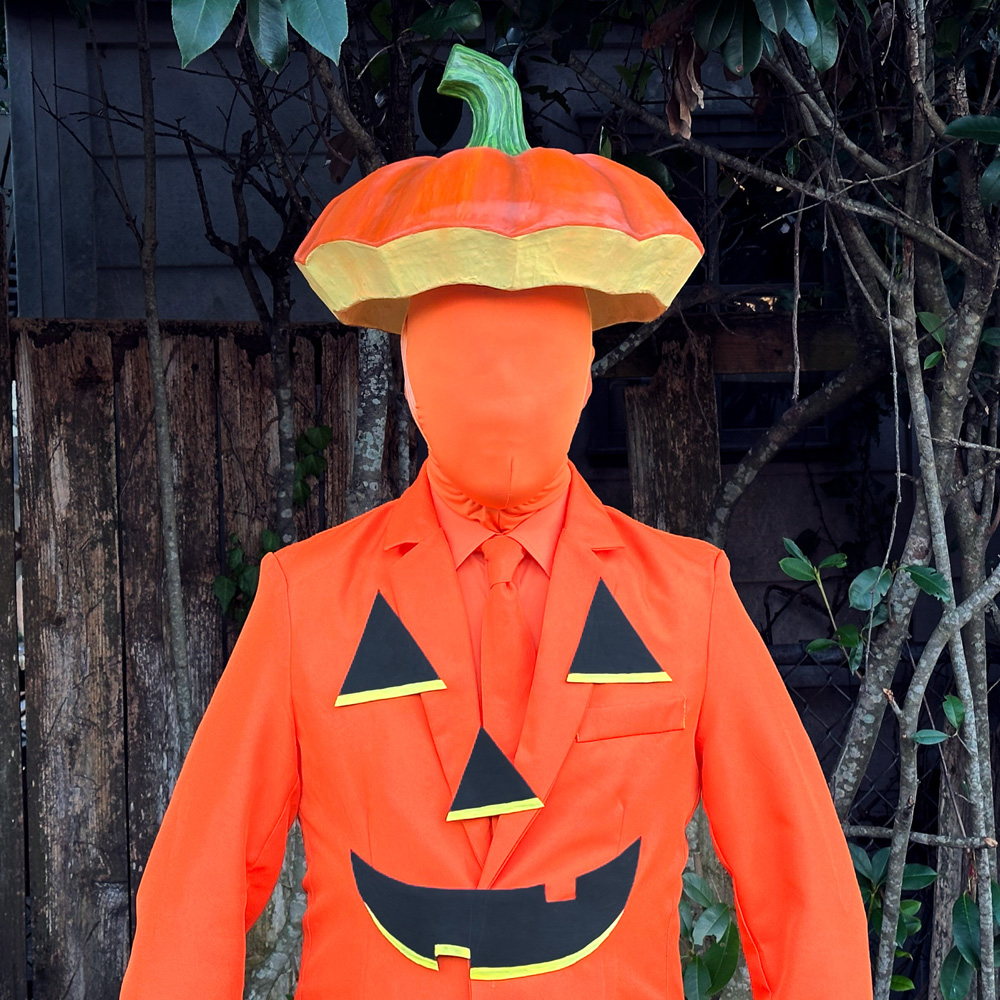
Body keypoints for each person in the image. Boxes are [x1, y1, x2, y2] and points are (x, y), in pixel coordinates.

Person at [119, 44, 872, 1000]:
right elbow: (200, 880)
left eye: (530, 352)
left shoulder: (686, 600)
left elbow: (798, 879)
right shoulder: (310, 599)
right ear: (414, 377)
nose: (503, 386)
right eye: (473, 352)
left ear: (582, 372)